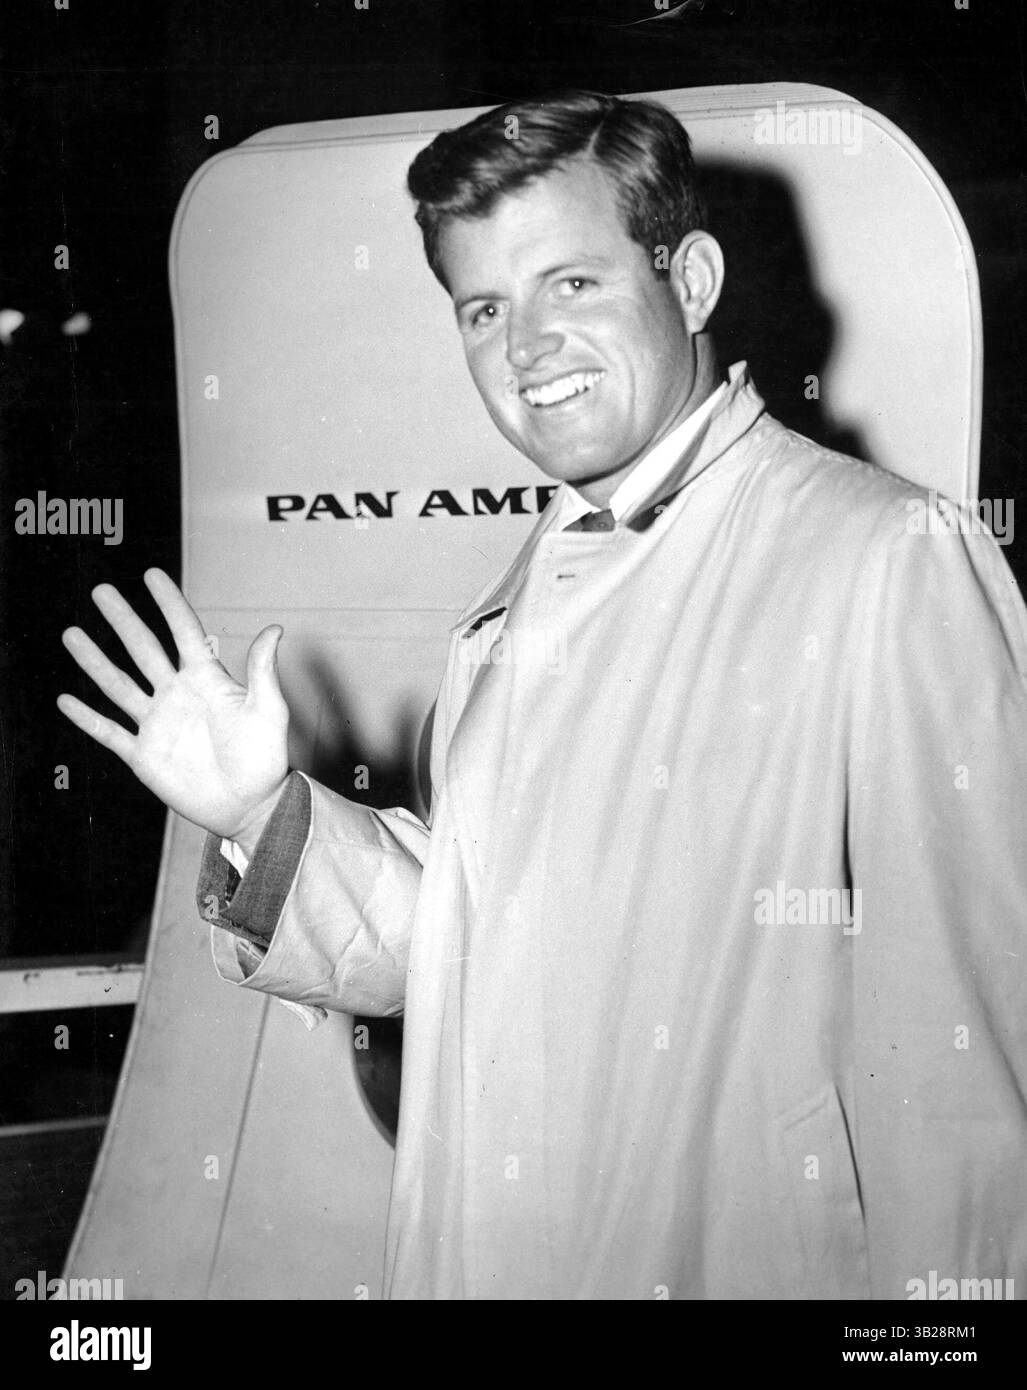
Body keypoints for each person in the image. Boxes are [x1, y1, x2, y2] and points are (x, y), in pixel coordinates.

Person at [59, 91, 1027, 1301]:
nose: (524, 348)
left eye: (571, 284)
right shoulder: (524, 595)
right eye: (483, 308)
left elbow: (961, 1072)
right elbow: (464, 944)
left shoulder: (884, 556)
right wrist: (261, 814)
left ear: (692, 280)